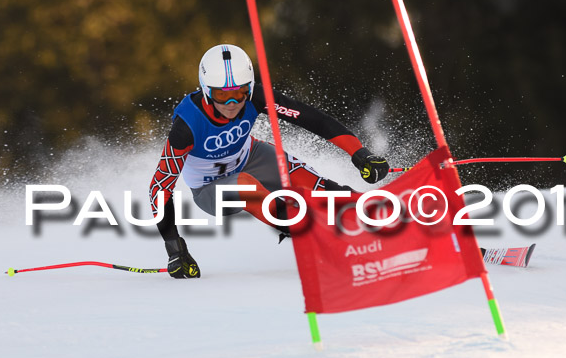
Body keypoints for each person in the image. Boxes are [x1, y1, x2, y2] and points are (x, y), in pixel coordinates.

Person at [149, 44, 389, 279]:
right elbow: (159, 189)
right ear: (206, 90)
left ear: (250, 88)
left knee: (314, 185)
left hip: (252, 157)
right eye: (222, 95)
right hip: (210, 189)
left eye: (240, 93)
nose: (232, 104)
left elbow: (313, 119)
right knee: (247, 186)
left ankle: (384, 217)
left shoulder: (257, 97)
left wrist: (360, 154)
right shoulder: (187, 127)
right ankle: (329, 239)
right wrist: (175, 251)